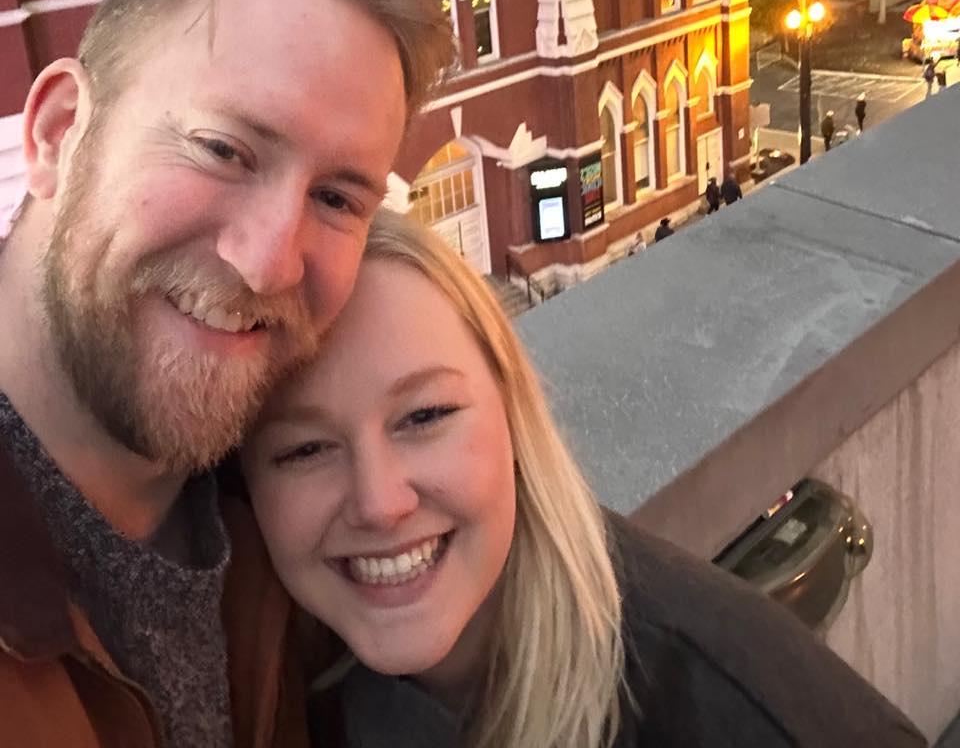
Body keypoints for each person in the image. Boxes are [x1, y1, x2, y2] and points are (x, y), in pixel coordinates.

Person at [0, 0, 455, 747]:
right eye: (223, 150)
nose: (269, 263)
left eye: (335, 198)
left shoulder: (294, 518)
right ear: (60, 134)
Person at [242, 210, 926, 748]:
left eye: (424, 415)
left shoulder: (757, 720)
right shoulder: (267, 688)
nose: (380, 502)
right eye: (303, 451)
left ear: (513, 415)